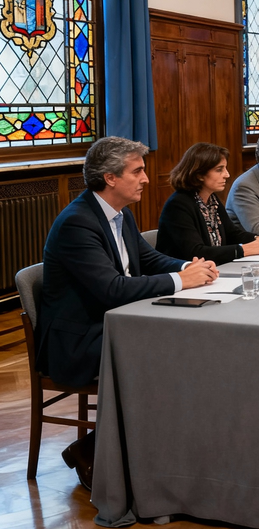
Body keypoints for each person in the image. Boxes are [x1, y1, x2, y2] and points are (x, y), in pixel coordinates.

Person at [38, 137, 219, 489]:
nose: (147, 179)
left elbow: (148, 260)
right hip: (79, 341)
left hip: (112, 323)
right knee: (166, 352)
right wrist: (181, 280)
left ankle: (157, 449)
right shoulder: (78, 222)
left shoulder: (119, 213)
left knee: (183, 343)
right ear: (110, 177)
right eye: (137, 171)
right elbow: (112, 289)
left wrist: (190, 266)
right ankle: (97, 449)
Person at [157, 142, 259, 265]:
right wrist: (242, 250)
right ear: (199, 175)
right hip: (185, 276)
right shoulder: (178, 205)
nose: (227, 175)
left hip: (213, 270)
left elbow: (231, 233)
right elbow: (195, 252)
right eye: (219, 170)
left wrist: (256, 239)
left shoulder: (212, 199)